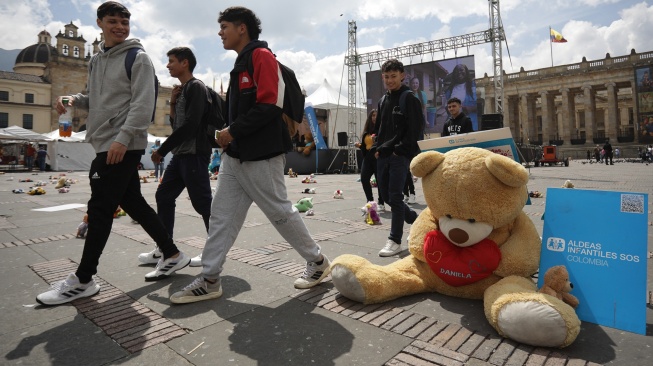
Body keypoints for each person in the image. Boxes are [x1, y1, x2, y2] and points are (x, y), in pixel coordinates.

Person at [169, 6, 330, 304]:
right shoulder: (241, 63)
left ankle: (318, 262)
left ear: (242, 28)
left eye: (224, 27)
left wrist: (233, 131)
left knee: (280, 212)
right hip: (237, 154)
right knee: (221, 216)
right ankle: (210, 278)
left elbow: (269, 104)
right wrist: (228, 134)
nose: (220, 33)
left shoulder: (261, 57)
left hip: (262, 153)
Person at [36, 1, 191, 306]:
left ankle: (83, 278)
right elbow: (94, 98)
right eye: (113, 21)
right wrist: (72, 99)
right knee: (132, 202)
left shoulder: (138, 58)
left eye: (124, 21)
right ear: (100, 23)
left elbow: (143, 104)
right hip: (105, 141)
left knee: (100, 207)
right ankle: (172, 254)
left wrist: (122, 139)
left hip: (121, 145)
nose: (120, 26)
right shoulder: (97, 60)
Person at [138, 47, 213, 268]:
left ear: (185, 63)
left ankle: (215, 251)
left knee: (203, 205)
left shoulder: (197, 87)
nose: (168, 65)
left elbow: (190, 126)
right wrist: (172, 103)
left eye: (171, 61)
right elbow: (177, 126)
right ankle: (165, 248)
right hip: (181, 156)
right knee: (163, 196)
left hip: (194, 154)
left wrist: (162, 150)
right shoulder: (182, 90)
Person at [372, 59, 420, 257]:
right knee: (387, 196)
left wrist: (400, 150)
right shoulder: (383, 100)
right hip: (382, 154)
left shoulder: (409, 98)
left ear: (402, 75)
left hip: (399, 155)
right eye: (386, 77)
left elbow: (416, 130)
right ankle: (416, 221)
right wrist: (376, 148)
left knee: (395, 196)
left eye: (393, 76)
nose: (390, 80)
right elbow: (379, 129)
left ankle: (395, 239)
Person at [355, 109, 385, 211]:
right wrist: (359, 145)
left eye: (376, 115)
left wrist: (376, 142)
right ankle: (370, 202)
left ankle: (381, 202)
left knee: (380, 180)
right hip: (368, 158)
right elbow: (365, 146)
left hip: (378, 157)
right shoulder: (367, 131)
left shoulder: (382, 129)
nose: (374, 117)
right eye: (373, 115)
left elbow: (385, 143)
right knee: (364, 178)